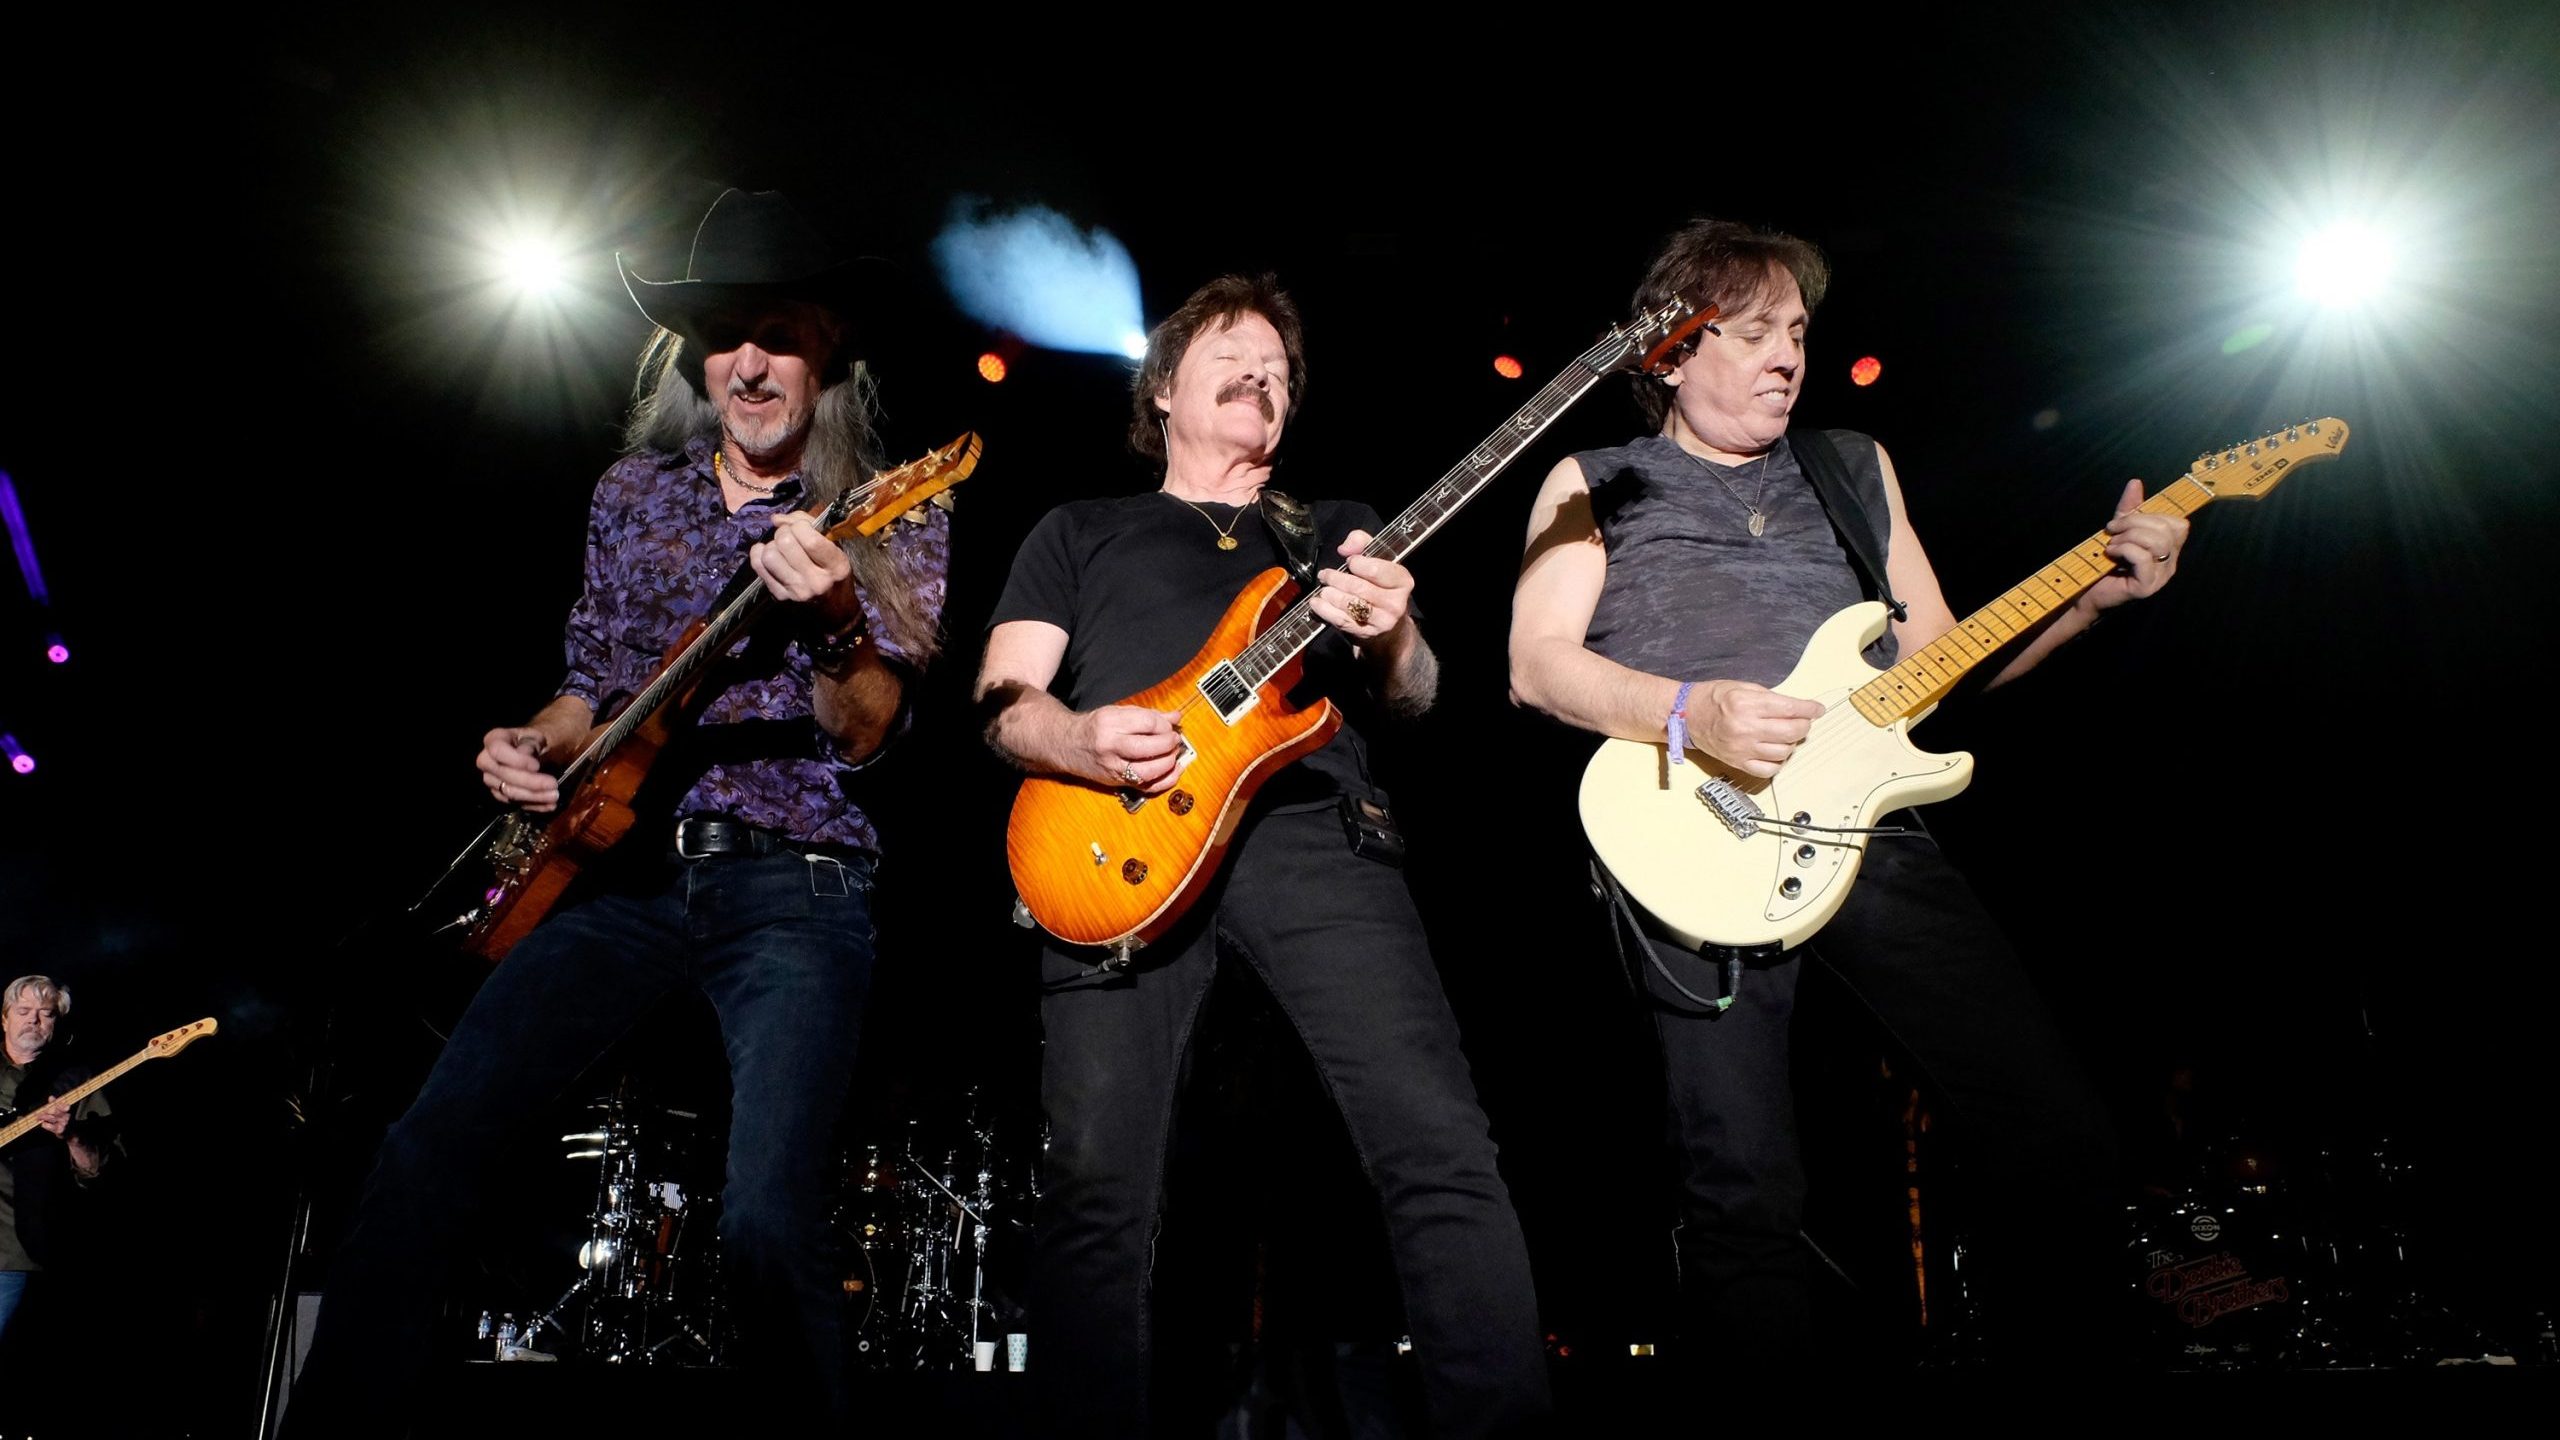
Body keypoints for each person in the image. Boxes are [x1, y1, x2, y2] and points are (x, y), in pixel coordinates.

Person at [287, 189, 948, 1433]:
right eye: (722, 338)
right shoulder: (630, 494)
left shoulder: (896, 505)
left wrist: (834, 617)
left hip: (796, 883)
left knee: (763, 1218)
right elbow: (589, 688)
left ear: (828, 352)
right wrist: (530, 745)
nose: (748, 364)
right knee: (426, 1150)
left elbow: (868, 729)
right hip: (622, 878)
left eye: (776, 334)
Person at [1508, 218, 2189, 1370]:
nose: (1788, 356)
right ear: (1672, 351)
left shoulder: (1853, 465)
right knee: (1742, 1189)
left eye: (1799, 334)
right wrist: (1692, 710)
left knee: (2054, 1127)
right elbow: (1536, 666)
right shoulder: (1597, 478)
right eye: (1757, 332)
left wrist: (2087, 604)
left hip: (1865, 829)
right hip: (1691, 832)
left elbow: (1941, 666)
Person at [977, 273, 1550, 1436]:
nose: (1259, 377)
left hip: (1312, 831)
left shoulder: (1332, 527)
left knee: (1436, 1147)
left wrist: (1392, 634)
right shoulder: (1079, 529)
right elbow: (1000, 705)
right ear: (1162, 390)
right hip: (1112, 838)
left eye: (1279, 373)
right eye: (1231, 358)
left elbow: (1419, 694)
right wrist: (1080, 738)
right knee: (1097, 1189)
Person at [0, 975, 119, 1357]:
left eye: (45, 1014)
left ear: (55, 1024)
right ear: (4, 1019)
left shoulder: (76, 1082)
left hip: (12, 1253)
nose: (33, 1020)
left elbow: (100, 1172)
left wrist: (70, 1136)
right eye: (23, 1011)